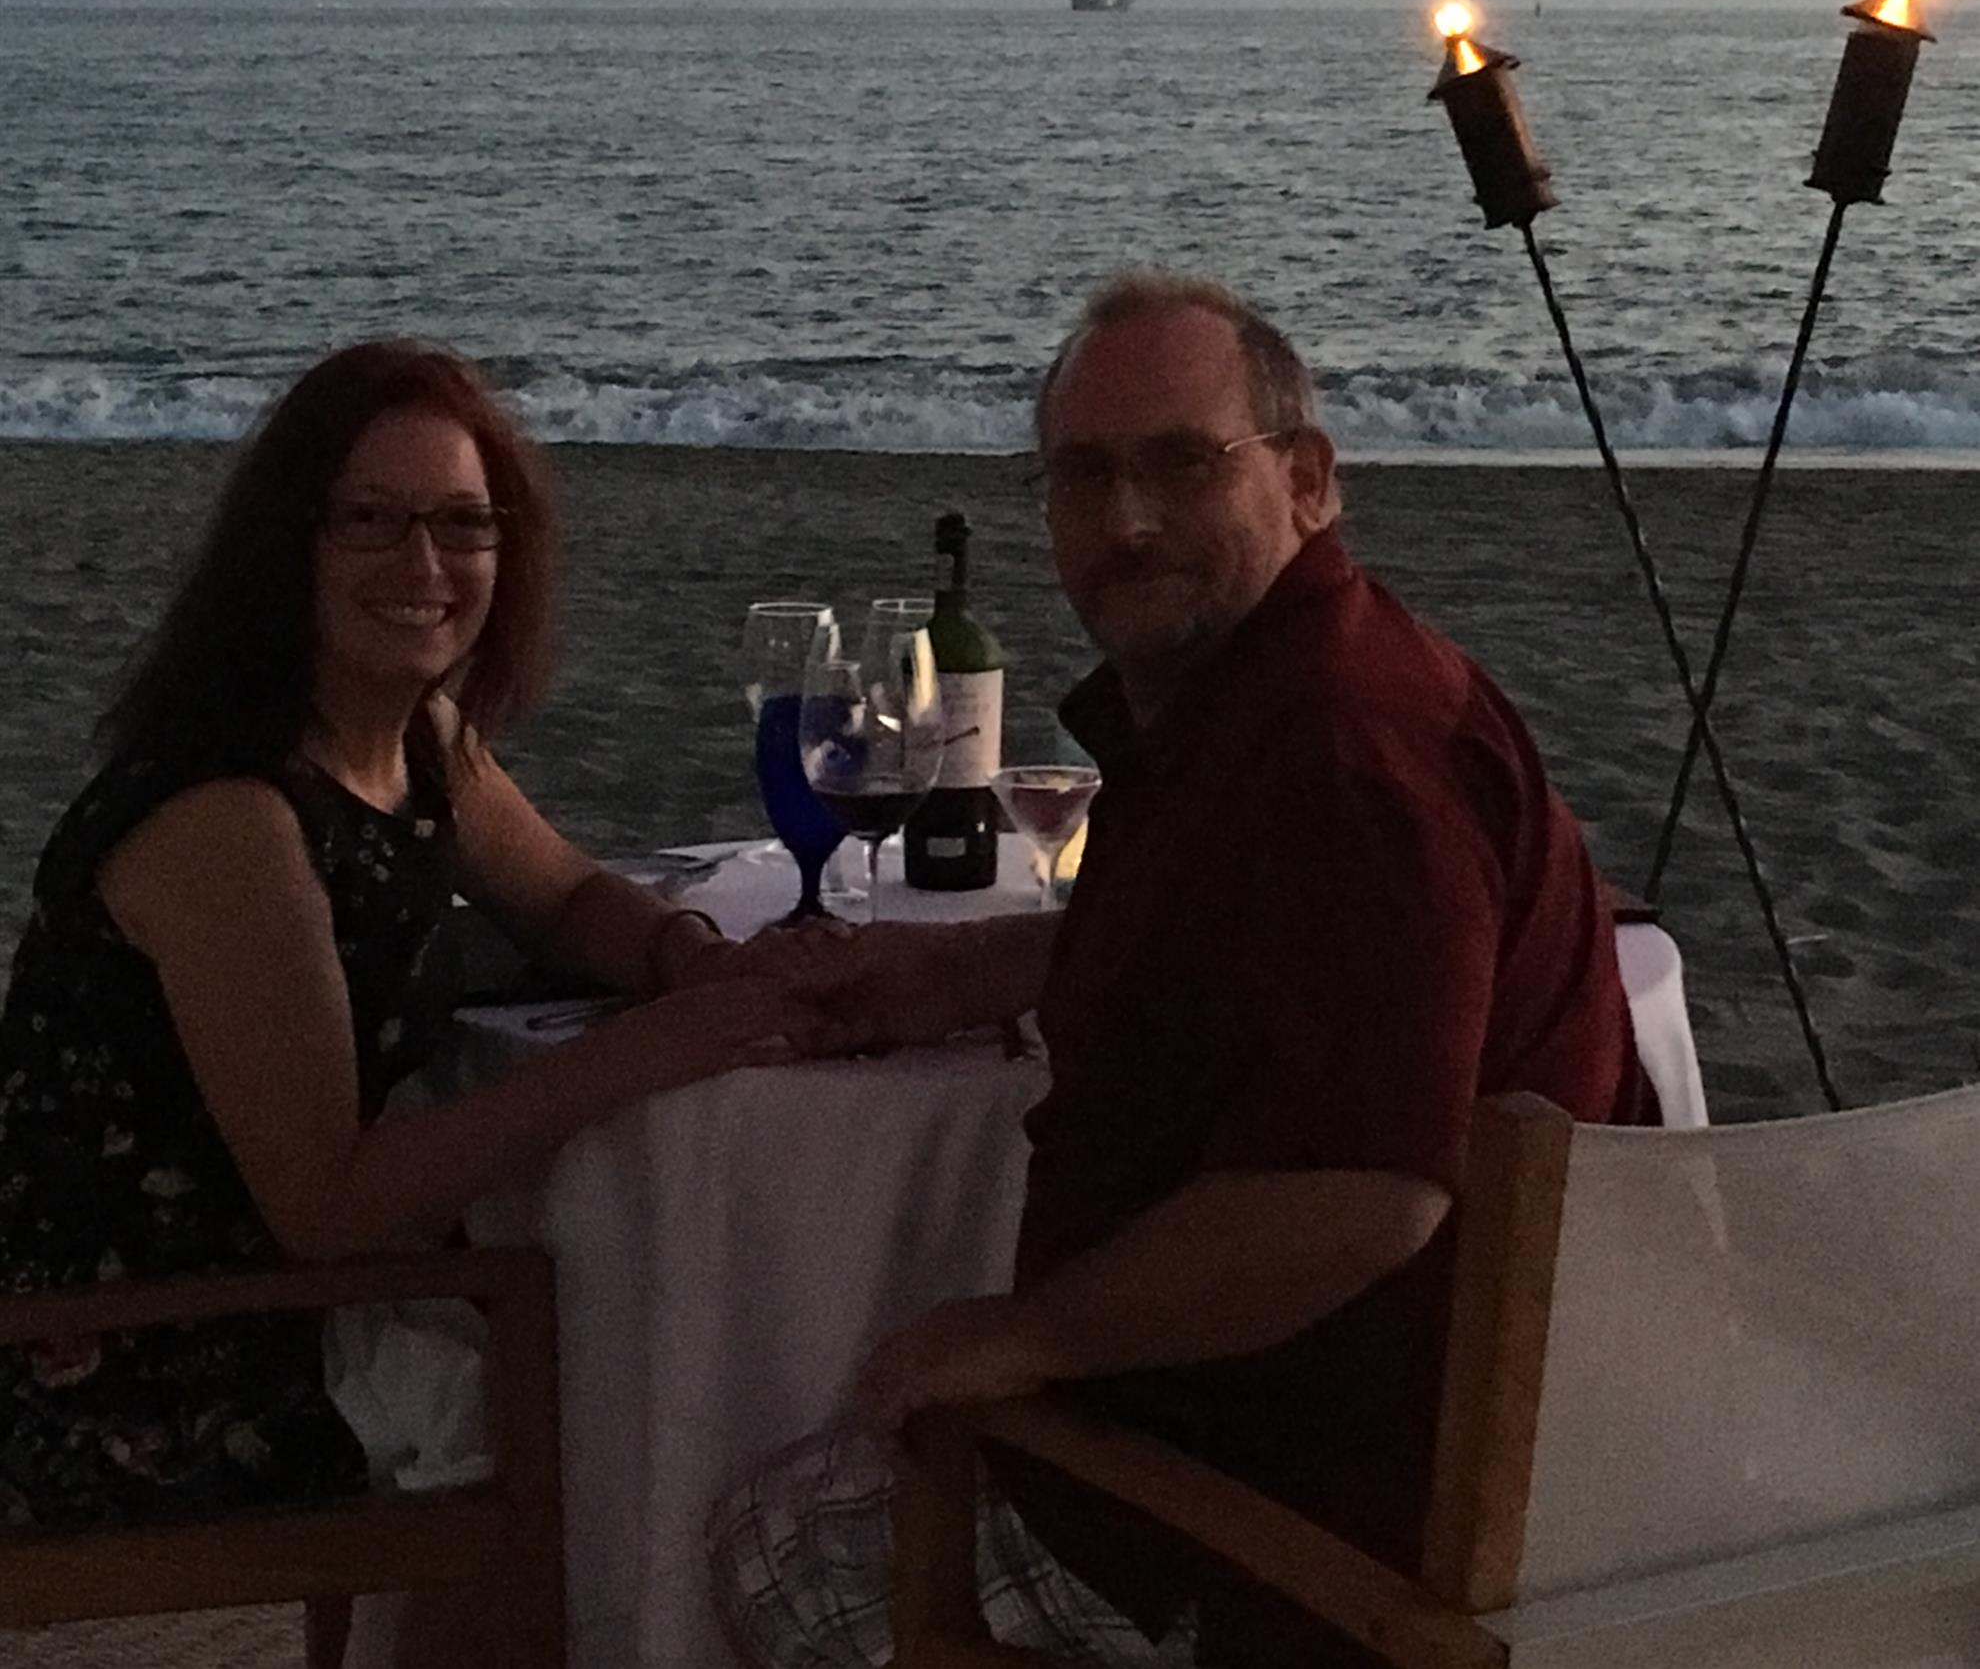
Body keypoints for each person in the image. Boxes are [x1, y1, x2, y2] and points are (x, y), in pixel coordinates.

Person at [710, 270, 1654, 1668]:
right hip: (1405, 1429)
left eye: (1182, 465)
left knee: (767, 1546)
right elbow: (1258, 952)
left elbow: (1360, 1197)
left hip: (1310, 1518)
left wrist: (1025, 1338)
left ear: (1307, 479)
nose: (1128, 521)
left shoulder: (1339, 760)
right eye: (1083, 476)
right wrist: (980, 972)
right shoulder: (1289, 692)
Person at [0, 339, 814, 1666]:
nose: (425, 564)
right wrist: (647, 1054)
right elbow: (330, 1207)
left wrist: (684, 958)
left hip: (249, 1292)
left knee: (579, 1331)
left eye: (462, 523)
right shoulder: (233, 813)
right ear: (290, 545)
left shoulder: (410, 736)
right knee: (558, 1386)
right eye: (370, 521)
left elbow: (560, 894)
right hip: (113, 1351)